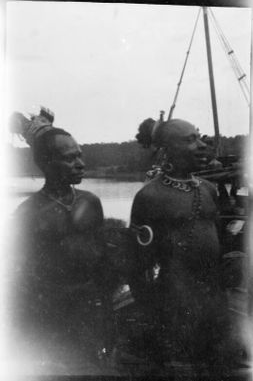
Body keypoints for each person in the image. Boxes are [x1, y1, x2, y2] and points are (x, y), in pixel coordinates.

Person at [127, 118, 246, 376]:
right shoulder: (150, 197)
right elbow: (136, 266)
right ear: (167, 149)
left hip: (215, 305)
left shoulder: (209, 190)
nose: (202, 145)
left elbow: (220, 247)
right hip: (175, 307)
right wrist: (151, 312)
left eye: (199, 137)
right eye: (190, 140)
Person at [7, 112, 117, 374]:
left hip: (89, 308)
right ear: (46, 163)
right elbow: (20, 280)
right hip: (49, 314)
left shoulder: (90, 202)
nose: (80, 163)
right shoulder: (28, 213)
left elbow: (101, 261)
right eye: (70, 158)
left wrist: (108, 314)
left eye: (80, 155)